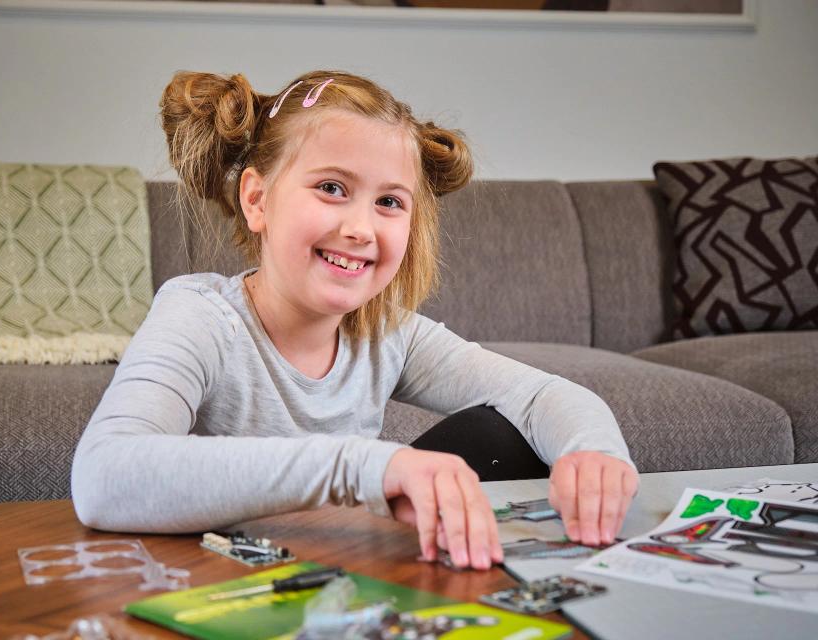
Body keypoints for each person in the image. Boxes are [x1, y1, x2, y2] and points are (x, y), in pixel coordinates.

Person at [71, 70, 639, 571]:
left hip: (346, 575)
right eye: (332, 188)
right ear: (257, 199)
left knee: (501, 432)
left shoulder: (387, 331)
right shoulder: (202, 315)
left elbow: (542, 397)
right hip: (221, 578)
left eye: (389, 202)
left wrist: (594, 452)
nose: (362, 228)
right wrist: (366, 465)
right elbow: (104, 475)